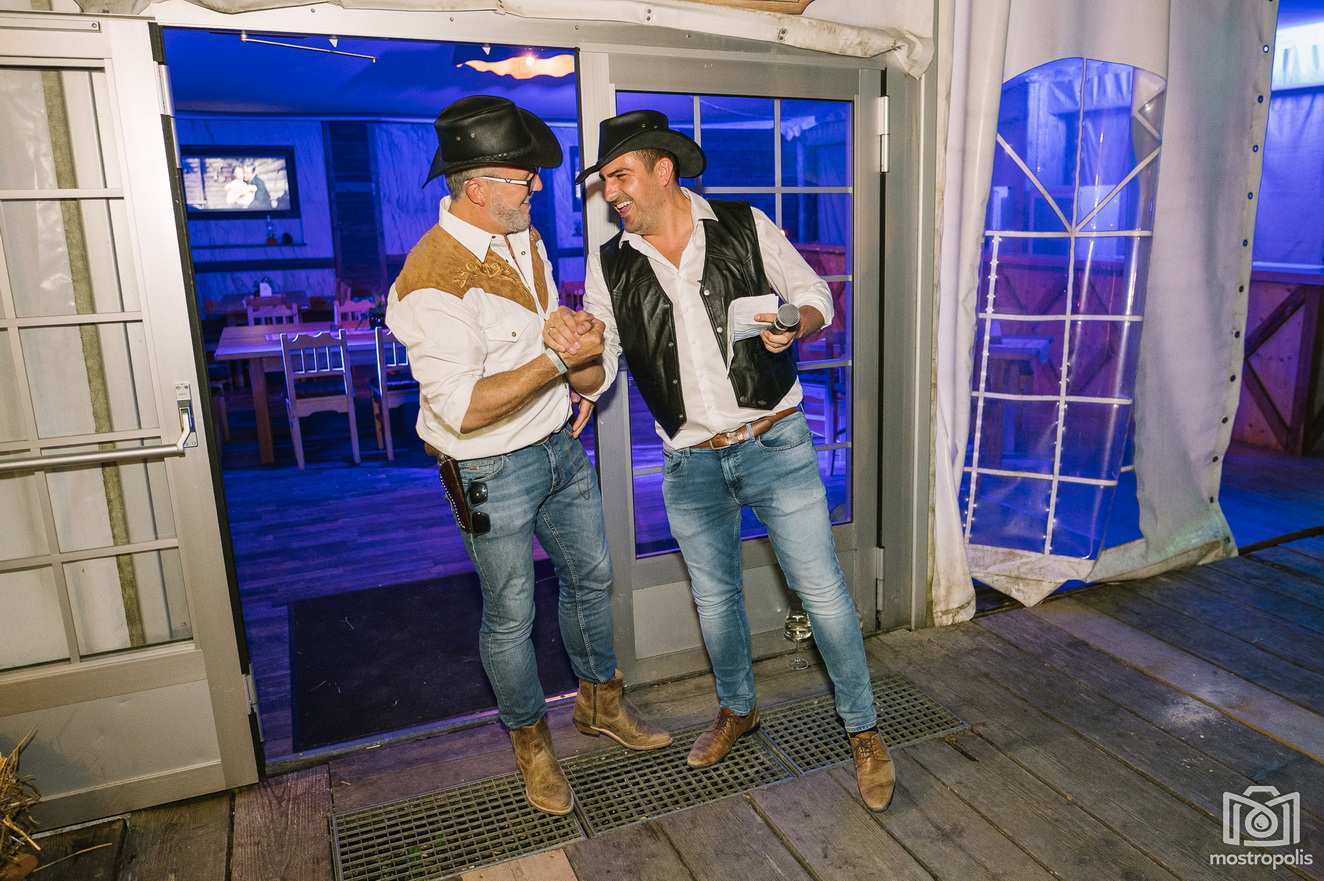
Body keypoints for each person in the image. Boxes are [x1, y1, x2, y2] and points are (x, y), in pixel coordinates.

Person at [550, 109, 896, 812]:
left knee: (822, 592)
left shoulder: (744, 225)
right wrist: (578, 358)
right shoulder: (609, 262)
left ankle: (863, 730)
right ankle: (738, 709)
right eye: (605, 180)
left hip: (776, 442)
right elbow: (601, 369)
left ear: (663, 170)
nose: (611, 192)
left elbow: (815, 296)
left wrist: (794, 323)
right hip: (690, 463)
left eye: (620, 175)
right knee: (715, 602)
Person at [385, 96, 671, 817]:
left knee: (591, 578)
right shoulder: (430, 281)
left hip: (558, 446)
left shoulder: (523, 236)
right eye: (523, 179)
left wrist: (569, 351)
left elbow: (536, 333)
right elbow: (464, 407)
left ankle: (600, 703)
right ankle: (532, 745)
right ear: (476, 188)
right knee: (511, 613)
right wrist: (558, 360)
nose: (537, 187)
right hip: (488, 470)